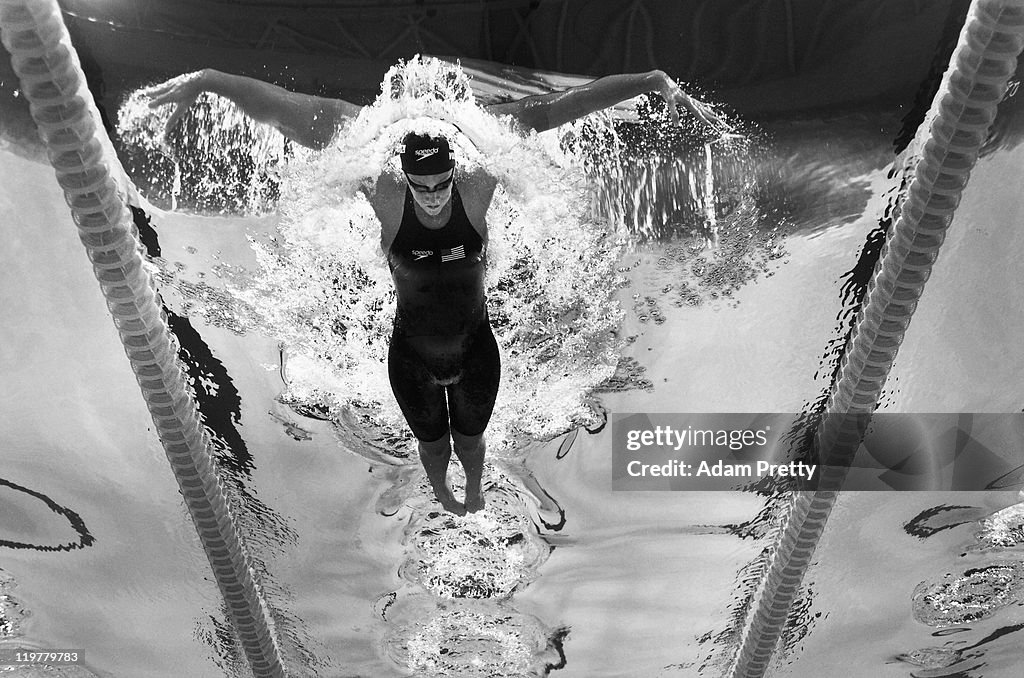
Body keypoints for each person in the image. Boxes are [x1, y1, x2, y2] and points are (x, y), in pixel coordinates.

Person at [146, 64, 730, 515]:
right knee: (432, 445)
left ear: (456, 172)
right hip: (410, 353)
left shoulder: (478, 187)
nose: (430, 195)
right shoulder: (384, 191)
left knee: (470, 444)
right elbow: (281, 109)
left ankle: (473, 489)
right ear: (404, 175)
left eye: (438, 183)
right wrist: (208, 82)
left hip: (477, 344)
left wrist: (652, 80)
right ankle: (441, 494)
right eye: (419, 183)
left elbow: (566, 106)